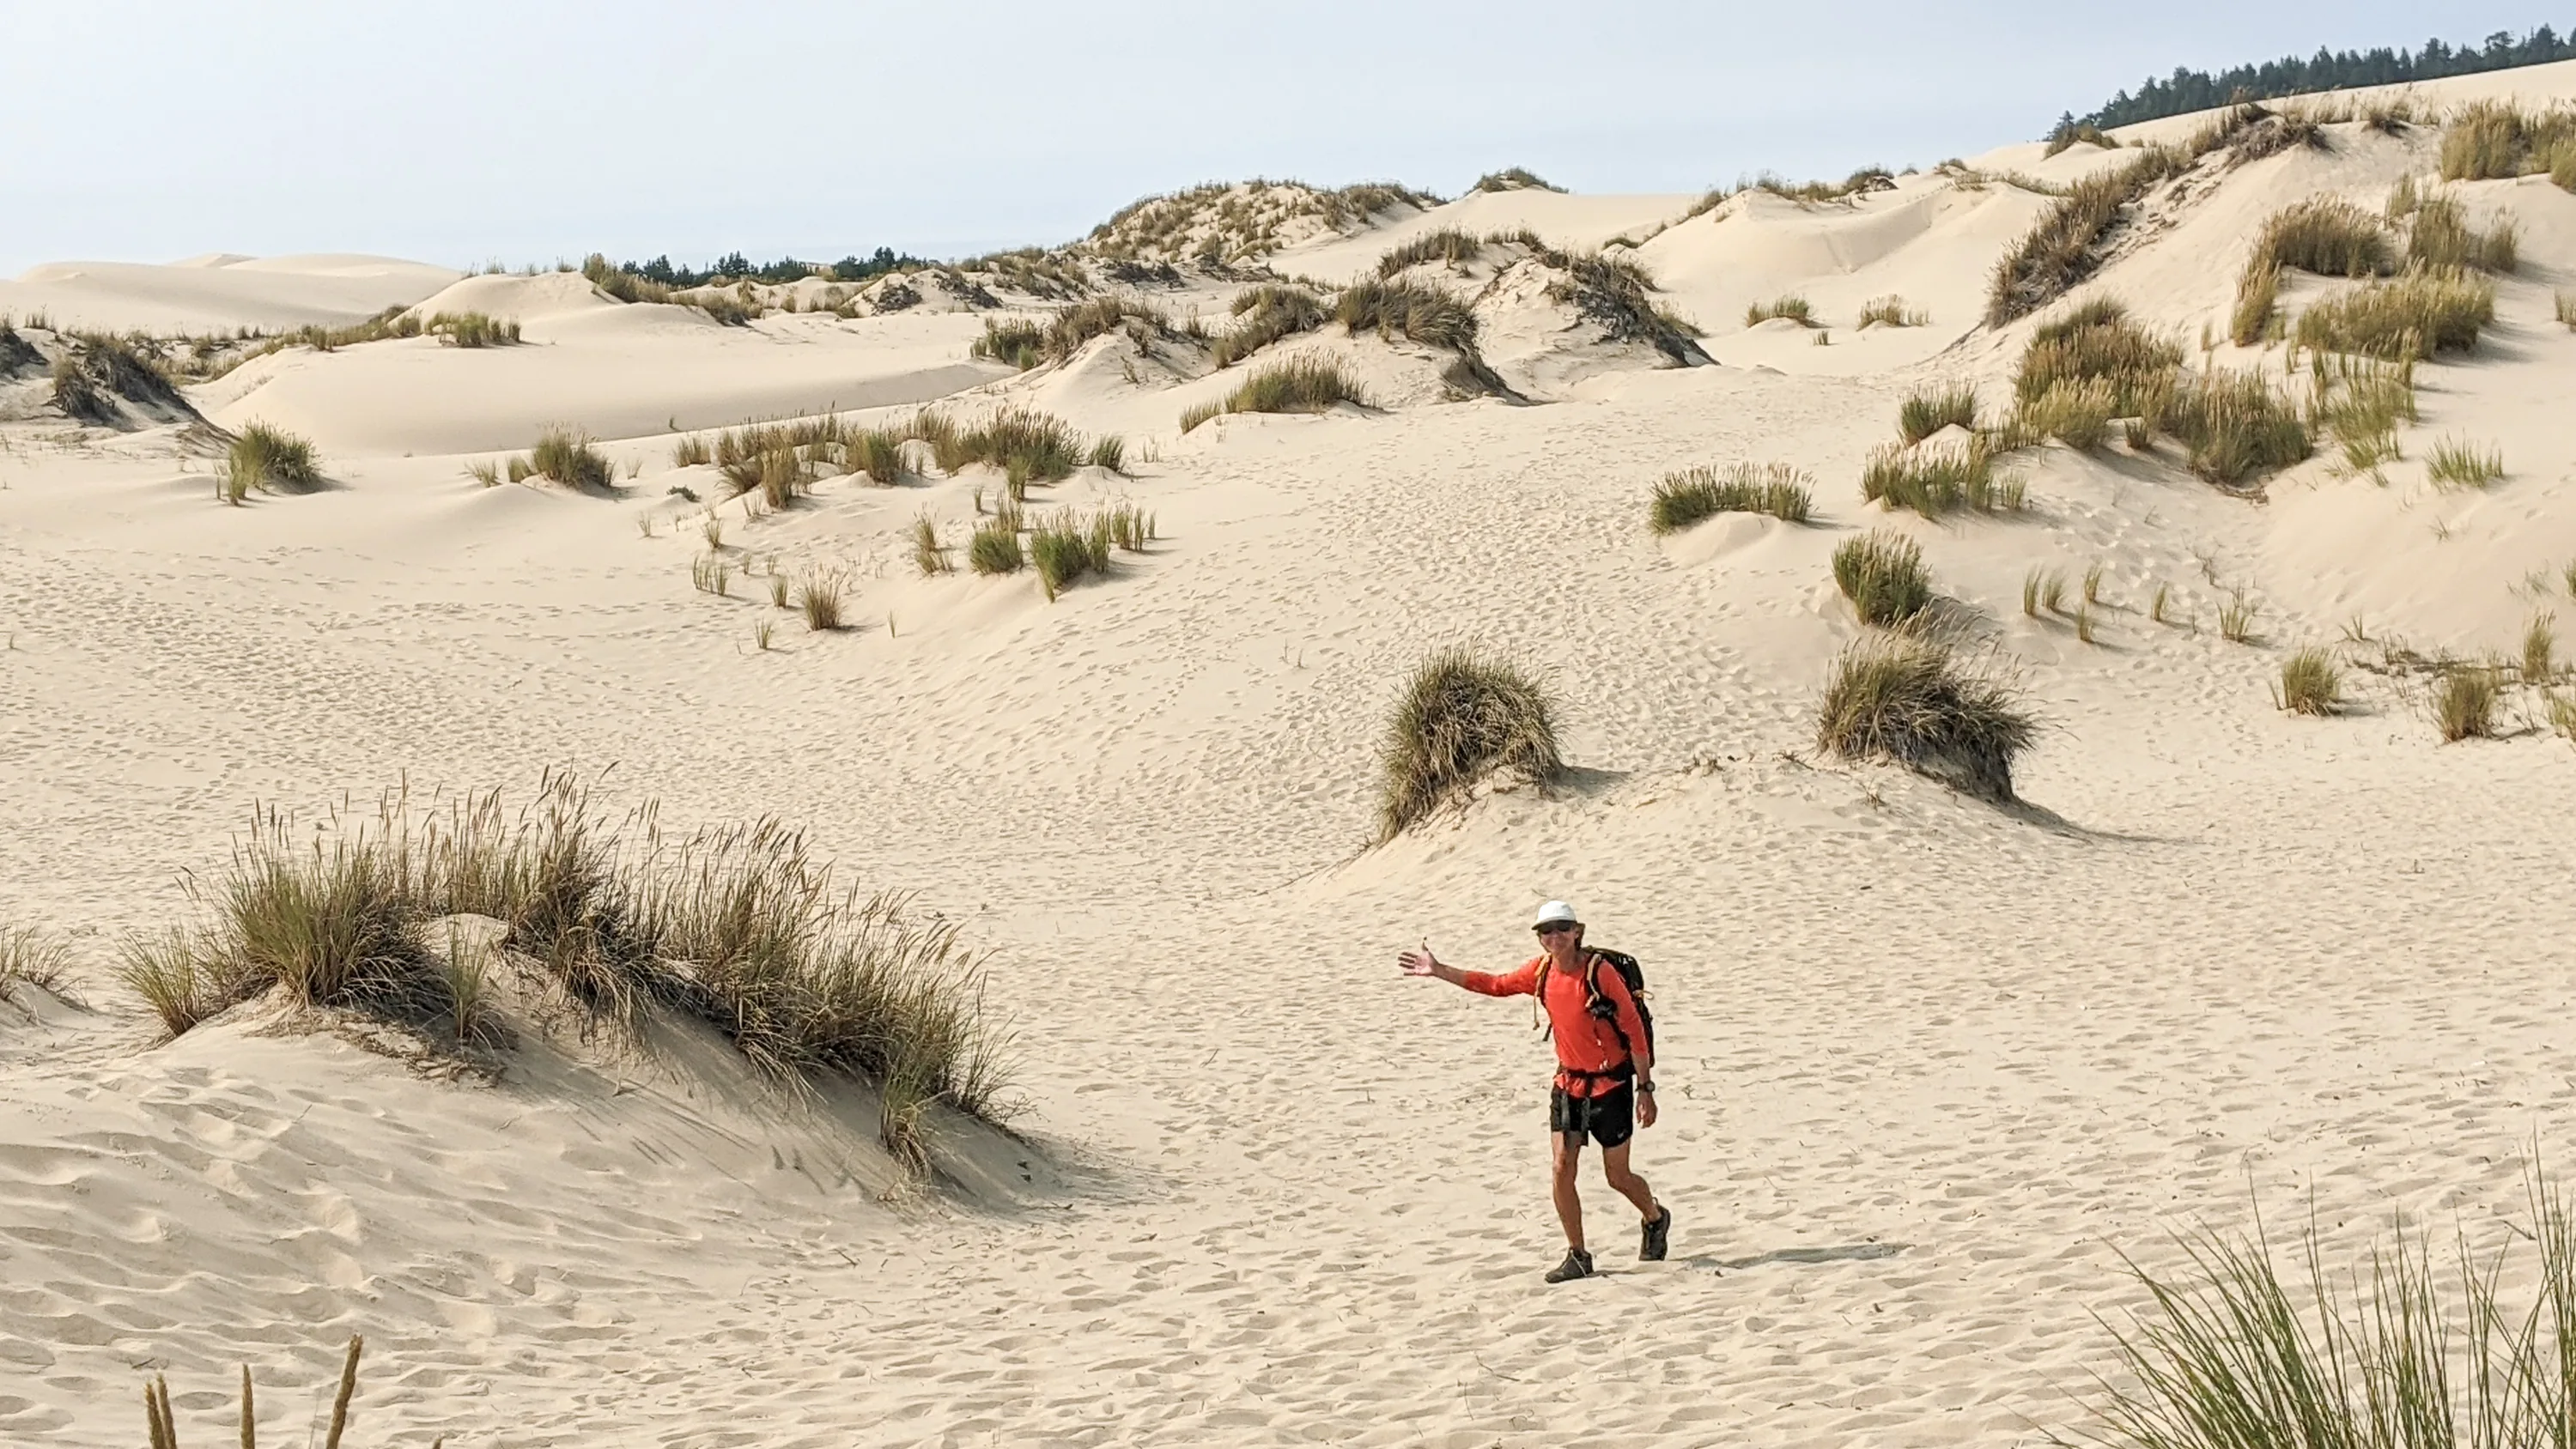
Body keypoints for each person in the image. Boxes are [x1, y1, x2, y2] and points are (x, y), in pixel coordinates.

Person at [1400, 900, 1669, 1282]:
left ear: (1577, 932)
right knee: (1562, 1168)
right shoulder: (1541, 971)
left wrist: (1645, 1089)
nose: (1554, 936)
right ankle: (1578, 1255)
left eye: (1562, 928)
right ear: (1540, 938)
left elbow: (1634, 1030)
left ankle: (1654, 1217)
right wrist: (1439, 970)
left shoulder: (1600, 972)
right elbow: (1495, 985)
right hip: (1568, 1086)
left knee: (1618, 1176)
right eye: (1546, 931)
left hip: (1611, 1087)